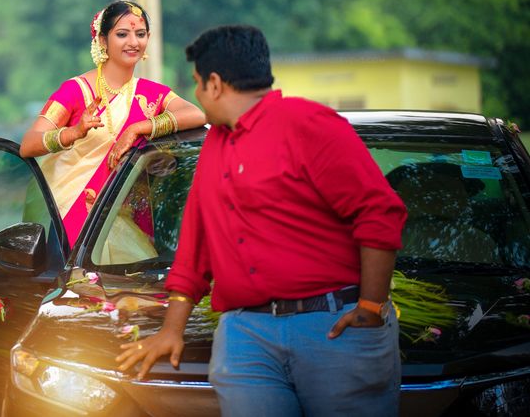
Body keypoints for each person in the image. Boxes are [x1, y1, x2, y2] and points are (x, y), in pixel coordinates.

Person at [116, 25, 408, 416]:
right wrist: (171, 330)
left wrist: (372, 305)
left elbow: (378, 212)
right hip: (246, 334)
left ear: (215, 84)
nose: (198, 95)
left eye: (198, 84)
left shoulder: (310, 124)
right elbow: (196, 245)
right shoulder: (216, 142)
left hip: (331, 326)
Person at [19, 0, 206, 252]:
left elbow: (196, 114)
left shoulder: (151, 94)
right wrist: (73, 132)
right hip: (70, 213)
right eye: (122, 34)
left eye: (140, 34)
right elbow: (28, 144)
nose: (133, 42)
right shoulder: (77, 91)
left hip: (118, 219)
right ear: (103, 40)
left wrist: (138, 128)